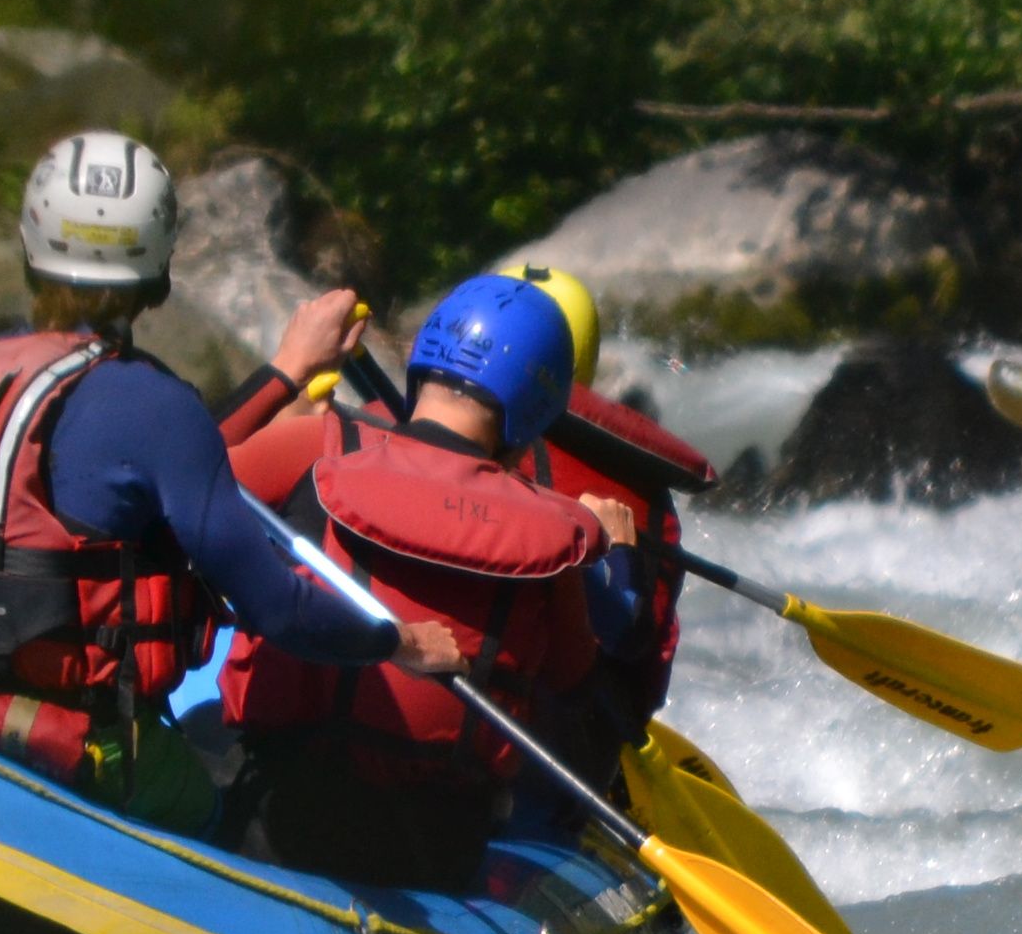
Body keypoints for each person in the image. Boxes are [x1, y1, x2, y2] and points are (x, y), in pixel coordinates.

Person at [0, 131, 418, 832]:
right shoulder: (147, 400)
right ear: (157, 261)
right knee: (233, 817)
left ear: (32, 245)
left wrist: (284, 374)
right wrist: (395, 642)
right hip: (67, 744)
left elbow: (145, 462)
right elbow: (276, 608)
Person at [216, 273, 608, 890]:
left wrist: (287, 371)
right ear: (539, 411)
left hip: (281, 817)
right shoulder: (560, 536)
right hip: (433, 850)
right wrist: (617, 557)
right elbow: (576, 686)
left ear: (423, 362)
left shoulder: (319, 446)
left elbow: (181, 479)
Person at [505, 262, 716, 775]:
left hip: (452, 731)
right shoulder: (641, 491)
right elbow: (645, 669)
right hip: (562, 756)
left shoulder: (397, 431)